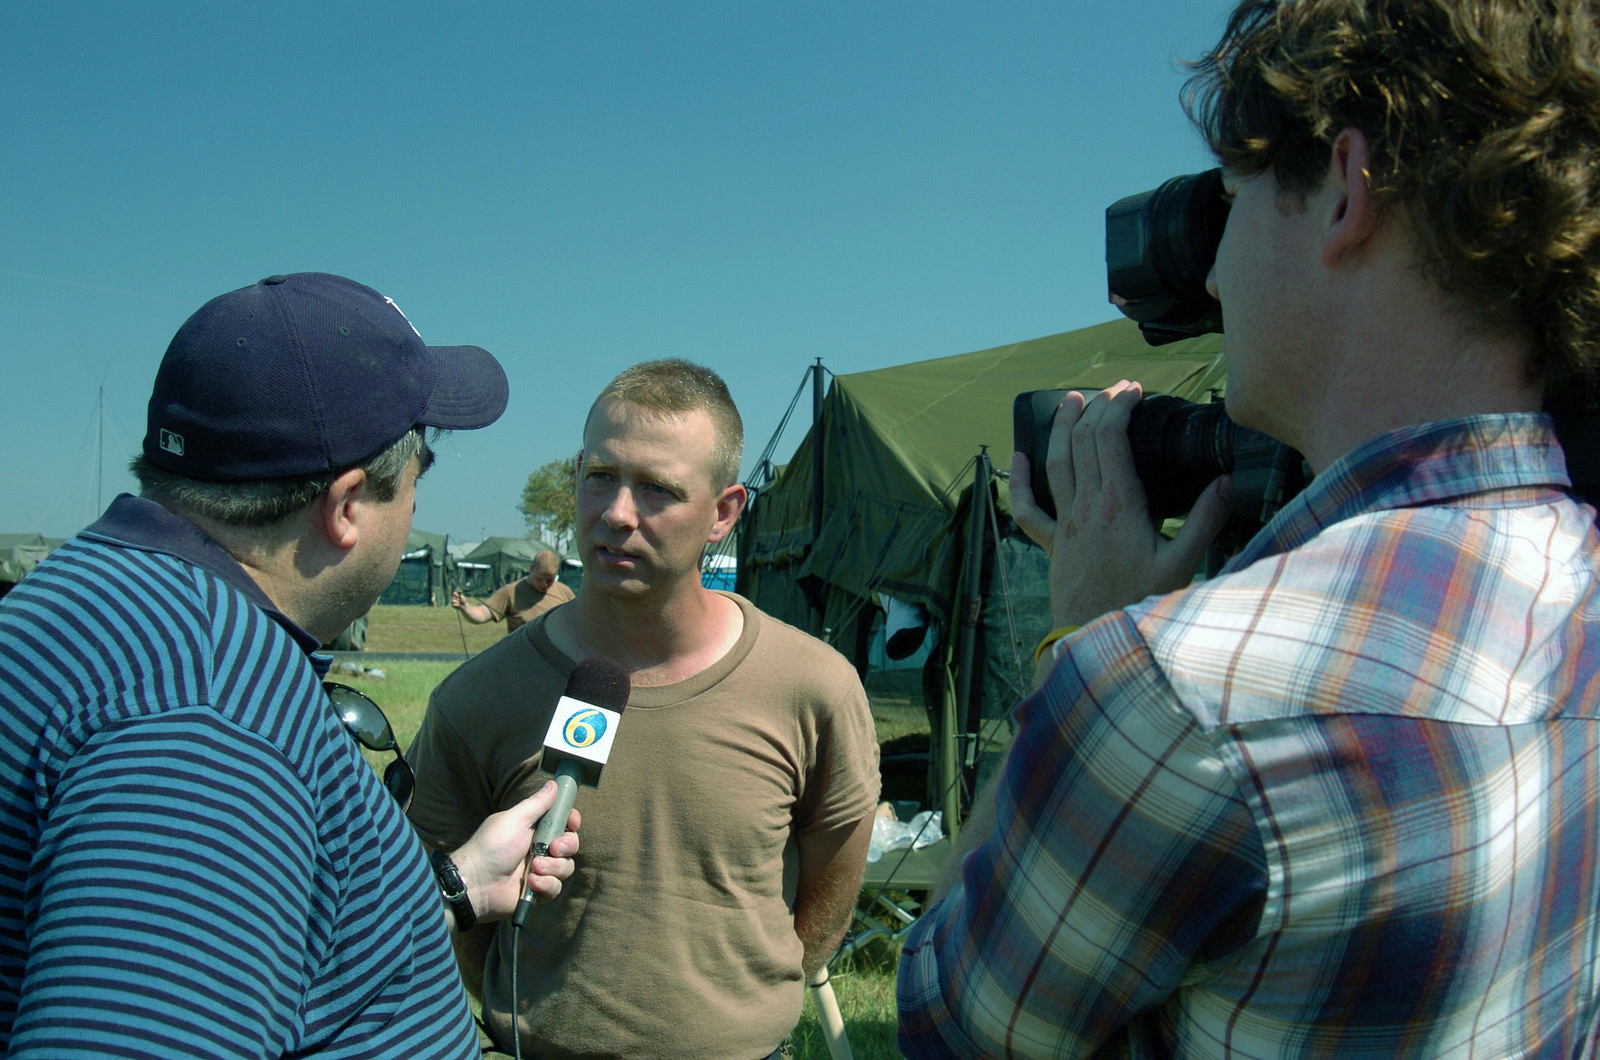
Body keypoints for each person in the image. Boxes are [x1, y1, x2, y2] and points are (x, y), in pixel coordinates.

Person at [897, 1, 1600, 1056]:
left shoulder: (1180, 694)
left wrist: (1084, 636)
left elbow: (953, 1027)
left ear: (1345, 191)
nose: (1215, 276)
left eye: (1230, 207)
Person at [0, 273, 582, 1059]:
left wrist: (450, 888)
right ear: (347, 506)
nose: (417, 504)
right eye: (418, 477)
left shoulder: (82, 594)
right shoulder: (209, 723)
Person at [408, 359, 880, 1059]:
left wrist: (744, 1003)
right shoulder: (478, 699)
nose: (616, 514)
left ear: (723, 512)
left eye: (657, 489)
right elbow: (437, 904)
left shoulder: (812, 689)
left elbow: (832, 881)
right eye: (600, 476)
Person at [451, 550, 574, 632]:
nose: (544, 584)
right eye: (540, 578)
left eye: (549, 580)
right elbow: (482, 614)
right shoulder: (511, 591)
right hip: (521, 658)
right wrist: (465, 607)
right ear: (531, 569)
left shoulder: (564, 592)